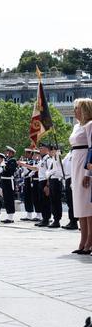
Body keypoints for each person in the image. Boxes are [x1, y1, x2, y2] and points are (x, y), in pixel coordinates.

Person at [70, 98, 92, 253]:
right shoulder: (77, 126)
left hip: (85, 163)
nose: (74, 111)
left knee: (87, 205)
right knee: (79, 205)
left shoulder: (90, 125)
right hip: (75, 163)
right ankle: (83, 239)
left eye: (77, 108)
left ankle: (89, 241)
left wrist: (87, 172)